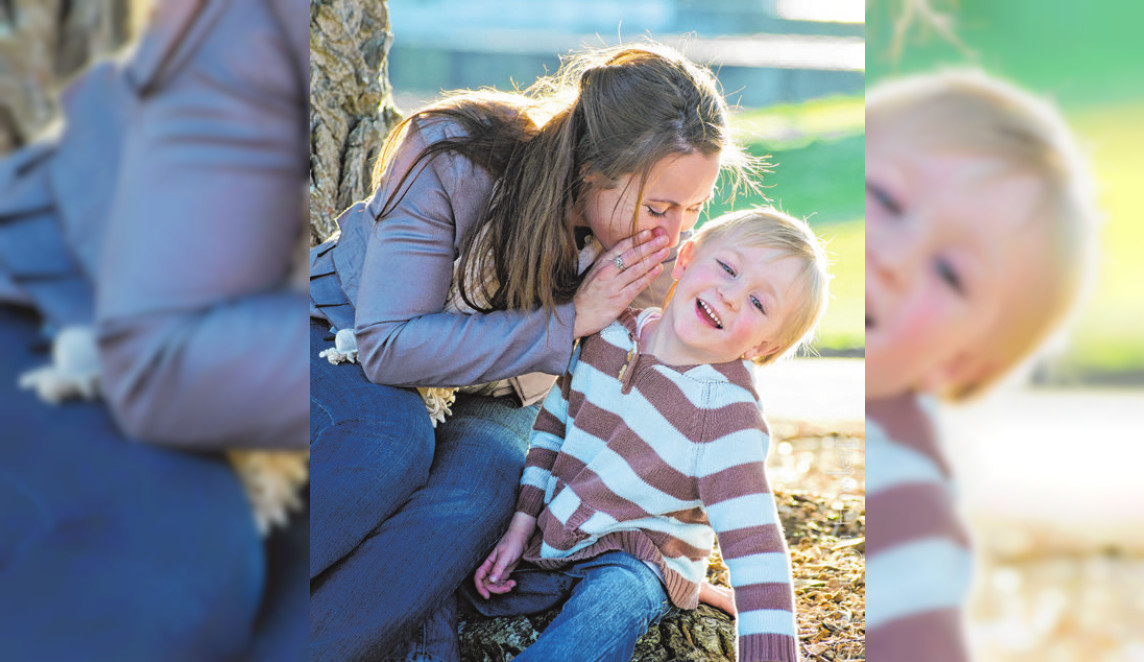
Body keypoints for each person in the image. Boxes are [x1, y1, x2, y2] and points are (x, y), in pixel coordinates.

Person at [308, 42, 759, 660]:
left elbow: (682, 406)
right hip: (341, 336)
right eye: (658, 207)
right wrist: (573, 319)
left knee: (490, 485)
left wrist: (669, 547)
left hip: (505, 388)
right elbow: (388, 345)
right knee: (387, 441)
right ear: (594, 169)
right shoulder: (456, 155)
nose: (673, 234)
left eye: (693, 210)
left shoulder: (650, 251)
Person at [0, 0, 309, 659]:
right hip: (55, 310)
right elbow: (160, 363)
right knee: (178, 566)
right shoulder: (249, 31)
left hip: (208, 351)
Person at [466, 209, 827, 662]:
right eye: (728, 269)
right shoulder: (612, 334)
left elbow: (756, 547)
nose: (732, 296)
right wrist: (521, 524)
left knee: (612, 602)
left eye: (759, 303)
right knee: (455, 577)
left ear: (762, 347)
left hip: (642, 558)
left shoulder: (726, 413)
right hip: (558, 535)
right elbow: (551, 430)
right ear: (686, 260)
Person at [863, 69, 1098, 660]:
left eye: (950, 273)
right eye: (886, 198)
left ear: (956, 365)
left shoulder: (903, 505)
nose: (892, 255)